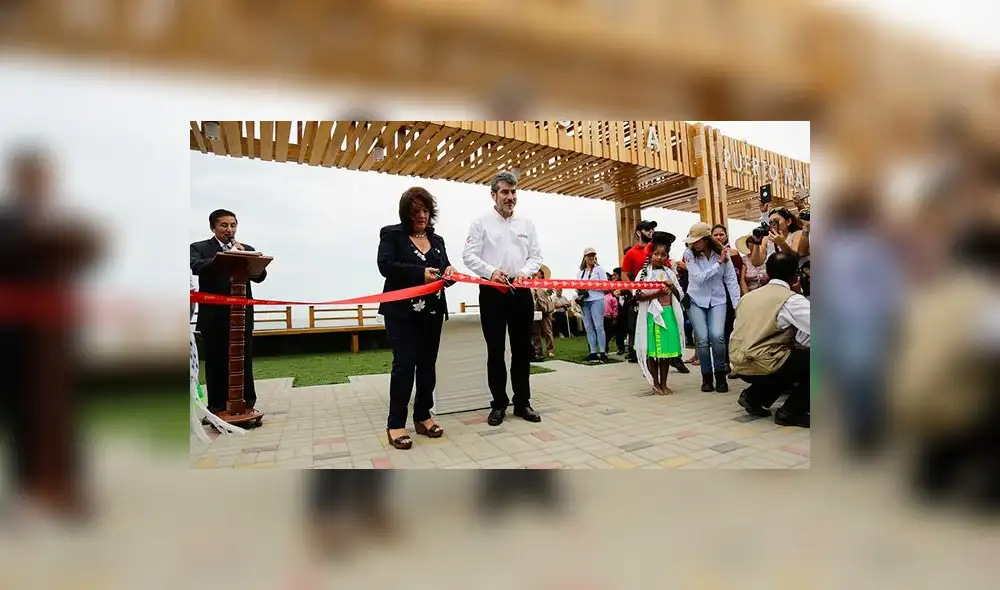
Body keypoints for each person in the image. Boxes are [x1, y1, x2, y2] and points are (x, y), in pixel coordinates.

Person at [376, 187, 456, 450]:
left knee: (427, 366)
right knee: (404, 365)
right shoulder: (392, 234)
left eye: (425, 210)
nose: (421, 216)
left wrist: (450, 274)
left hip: (432, 313)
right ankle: (395, 423)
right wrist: (420, 274)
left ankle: (423, 415)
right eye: (415, 211)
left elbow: (443, 272)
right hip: (401, 313)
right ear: (406, 213)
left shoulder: (438, 240)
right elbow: (385, 267)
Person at [462, 171, 544, 426]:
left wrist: (524, 273)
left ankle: (522, 403)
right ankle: (498, 404)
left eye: (513, 192)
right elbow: (468, 255)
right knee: (496, 351)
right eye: (505, 192)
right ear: (494, 195)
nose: (510, 197)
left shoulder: (527, 223)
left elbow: (536, 257)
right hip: (492, 293)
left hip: (520, 292)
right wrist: (491, 272)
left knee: (521, 351)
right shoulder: (481, 223)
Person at [190, 208, 267, 416]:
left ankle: (247, 403)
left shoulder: (245, 248)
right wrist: (221, 257)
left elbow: (260, 275)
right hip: (214, 316)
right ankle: (216, 408)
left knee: (244, 360)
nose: (229, 229)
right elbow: (195, 266)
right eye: (224, 225)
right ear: (213, 227)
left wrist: (243, 255)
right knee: (216, 362)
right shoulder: (199, 248)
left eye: (233, 225)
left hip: (241, 315)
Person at [731, 252, 811, 428]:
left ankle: (754, 397)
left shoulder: (747, 297)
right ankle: (791, 412)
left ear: (767, 272)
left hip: (739, 362)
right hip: (766, 361)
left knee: (787, 358)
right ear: (795, 275)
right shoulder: (791, 300)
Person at [682, 222, 740, 393]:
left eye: (696, 240)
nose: (693, 243)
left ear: (705, 240)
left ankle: (720, 374)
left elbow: (731, 280)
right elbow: (699, 278)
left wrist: (737, 306)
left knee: (718, 336)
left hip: (717, 300)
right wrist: (718, 263)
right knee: (702, 338)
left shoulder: (723, 254)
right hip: (695, 300)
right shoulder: (689, 254)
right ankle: (706, 377)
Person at [633, 232, 686, 394]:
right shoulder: (644, 274)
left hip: (668, 314)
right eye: (656, 254)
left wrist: (672, 287)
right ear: (650, 254)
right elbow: (637, 295)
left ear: (667, 256)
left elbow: (680, 296)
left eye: (663, 255)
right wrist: (656, 294)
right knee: (652, 351)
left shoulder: (670, 273)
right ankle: (655, 382)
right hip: (650, 315)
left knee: (665, 353)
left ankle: (664, 382)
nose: (659, 258)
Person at [621, 220, 657, 362]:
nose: (651, 231)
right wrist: (633, 290)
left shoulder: (656, 249)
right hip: (640, 297)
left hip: (658, 295)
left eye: (652, 229)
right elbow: (624, 274)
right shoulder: (631, 253)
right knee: (639, 327)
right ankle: (640, 354)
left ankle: (674, 358)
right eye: (647, 229)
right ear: (638, 232)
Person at [576, 247, 608, 363]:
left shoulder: (599, 270)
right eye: (588, 255)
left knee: (599, 326)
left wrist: (591, 286)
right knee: (589, 327)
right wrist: (580, 292)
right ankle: (593, 352)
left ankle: (603, 351)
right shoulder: (580, 272)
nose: (591, 257)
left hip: (596, 299)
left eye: (592, 255)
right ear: (584, 257)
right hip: (585, 301)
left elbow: (605, 286)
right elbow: (577, 287)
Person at [530, 264, 556, 360]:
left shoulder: (545, 283)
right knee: (535, 332)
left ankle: (550, 350)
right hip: (535, 311)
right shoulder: (529, 284)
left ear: (541, 273)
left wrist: (548, 290)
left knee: (547, 332)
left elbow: (549, 293)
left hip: (545, 311)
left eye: (537, 271)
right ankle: (538, 351)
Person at [603, 275, 620, 355]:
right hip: (601, 317)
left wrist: (615, 317)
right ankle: (603, 348)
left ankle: (605, 347)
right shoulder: (600, 297)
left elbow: (615, 308)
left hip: (608, 318)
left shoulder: (612, 298)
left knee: (608, 334)